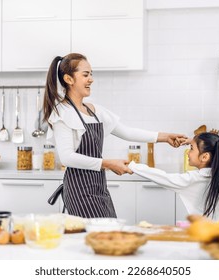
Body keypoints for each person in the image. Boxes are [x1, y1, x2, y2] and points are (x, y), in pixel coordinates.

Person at [43, 53, 187, 218]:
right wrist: (108, 163)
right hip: (79, 190)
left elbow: (127, 132)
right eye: (85, 74)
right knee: (95, 236)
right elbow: (67, 158)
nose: (91, 79)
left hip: (99, 186)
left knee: (107, 232)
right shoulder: (62, 113)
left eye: (91, 74)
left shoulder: (93, 110)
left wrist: (165, 137)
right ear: (69, 79)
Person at [128, 132, 219, 220]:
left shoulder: (193, 179)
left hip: (200, 232)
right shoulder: (218, 177)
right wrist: (194, 142)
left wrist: (132, 166)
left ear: (204, 157)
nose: (187, 152)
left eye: (191, 148)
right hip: (216, 230)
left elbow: (163, 177)